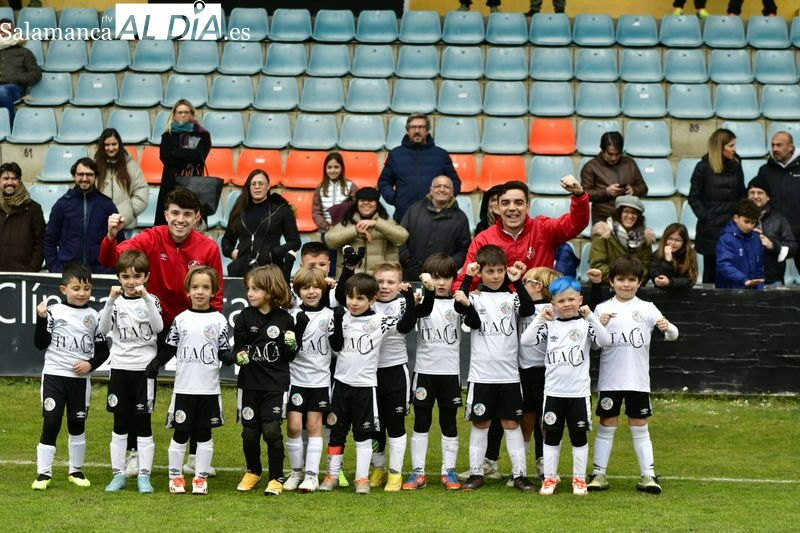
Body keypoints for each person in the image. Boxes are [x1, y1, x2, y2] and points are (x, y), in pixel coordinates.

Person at [586, 256, 679, 495]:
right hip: (610, 381)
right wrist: (600, 325)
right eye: (620, 279)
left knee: (639, 426)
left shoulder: (646, 308)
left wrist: (667, 328)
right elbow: (594, 345)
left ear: (639, 282)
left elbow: (672, 335)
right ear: (612, 281)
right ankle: (598, 474)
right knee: (607, 425)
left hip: (638, 382)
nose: (625, 284)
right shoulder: (603, 308)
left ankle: (648, 475)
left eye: (631, 280)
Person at [453, 245, 537, 493]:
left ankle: (520, 475)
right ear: (481, 272)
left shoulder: (512, 298)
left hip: (509, 375)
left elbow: (529, 309)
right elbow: (461, 308)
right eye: (490, 271)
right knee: (481, 423)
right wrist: (467, 279)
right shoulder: (475, 298)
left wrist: (517, 282)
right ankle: (476, 473)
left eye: (500, 270)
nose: (496, 276)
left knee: (512, 423)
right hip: (481, 375)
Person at [519, 276, 611, 496]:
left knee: (578, 437)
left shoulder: (585, 324)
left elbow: (606, 341)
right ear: (553, 304)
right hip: (553, 393)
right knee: (551, 436)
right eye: (561, 301)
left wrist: (592, 317)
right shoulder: (549, 326)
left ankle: (578, 479)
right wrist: (540, 318)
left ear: (580, 300)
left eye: (571, 299)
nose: (567, 304)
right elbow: (526, 341)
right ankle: (550, 477)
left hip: (578, 394)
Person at [146, 266, 232, 495]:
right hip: (184, 389)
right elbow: (169, 348)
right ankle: (175, 477)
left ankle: (200, 478)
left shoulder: (219, 320)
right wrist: (156, 363)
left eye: (205, 287)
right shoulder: (181, 319)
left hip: (209, 390)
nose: (200, 292)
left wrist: (233, 358)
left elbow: (224, 351)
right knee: (180, 433)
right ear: (188, 291)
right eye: (195, 287)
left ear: (214, 291)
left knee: (204, 434)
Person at [319, 273, 405, 494]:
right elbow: (336, 346)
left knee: (363, 434)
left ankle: (362, 478)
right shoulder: (340, 317)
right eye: (350, 297)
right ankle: (332, 475)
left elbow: (407, 324)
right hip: (340, 386)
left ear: (372, 300)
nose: (353, 303)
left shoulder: (380, 321)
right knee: (337, 432)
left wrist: (413, 299)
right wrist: (338, 320)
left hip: (366, 387)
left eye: (359, 298)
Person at [334, 261, 416, 492]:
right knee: (373, 425)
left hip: (394, 371)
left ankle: (395, 473)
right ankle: (378, 467)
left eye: (391, 282)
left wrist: (411, 298)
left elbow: (407, 325)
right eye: (380, 281)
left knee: (395, 423)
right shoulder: (362, 301)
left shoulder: (403, 303)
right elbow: (343, 295)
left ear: (399, 284)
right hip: (366, 375)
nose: (384, 286)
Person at [100, 188, 224, 330]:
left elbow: (216, 293)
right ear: (166, 215)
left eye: (187, 214)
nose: (180, 220)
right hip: (153, 324)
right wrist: (111, 236)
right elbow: (109, 260)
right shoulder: (151, 238)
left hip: (191, 326)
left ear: (197, 217)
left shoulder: (208, 248)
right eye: (175, 213)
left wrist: (211, 325)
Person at [31, 263, 109, 490]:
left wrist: (90, 364)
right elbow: (40, 343)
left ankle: (76, 470)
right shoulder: (54, 312)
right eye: (76, 288)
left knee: (77, 424)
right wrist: (42, 319)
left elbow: (104, 351)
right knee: (52, 422)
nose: (82, 293)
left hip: (80, 381)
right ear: (63, 289)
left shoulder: (94, 316)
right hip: (55, 376)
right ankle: (43, 474)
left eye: (86, 288)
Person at [99, 250, 163, 494]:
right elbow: (103, 330)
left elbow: (158, 327)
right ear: (118, 277)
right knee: (120, 423)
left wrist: (146, 298)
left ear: (146, 276)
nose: (131, 281)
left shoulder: (151, 300)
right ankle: (118, 475)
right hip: (119, 369)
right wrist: (108, 302)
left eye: (137, 276)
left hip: (143, 371)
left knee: (143, 423)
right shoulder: (115, 302)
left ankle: (144, 477)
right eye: (125, 276)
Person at [231, 265, 299, 496]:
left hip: (275, 386)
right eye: (248, 288)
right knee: (249, 432)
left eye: (256, 289)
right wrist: (239, 356)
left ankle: (276, 478)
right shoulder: (243, 317)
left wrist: (292, 345)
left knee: (271, 431)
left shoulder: (285, 319)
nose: (250, 293)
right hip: (249, 385)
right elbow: (239, 348)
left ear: (270, 291)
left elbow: (290, 356)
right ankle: (253, 471)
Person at [456, 177, 589, 292]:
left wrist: (579, 195)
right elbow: (464, 280)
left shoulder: (544, 229)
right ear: (497, 208)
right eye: (505, 203)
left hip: (541, 308)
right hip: (501, 310)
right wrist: (467, 295)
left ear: (527, 207)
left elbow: (576, 223)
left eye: (518, 203)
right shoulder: (484, 239)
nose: (512, 208)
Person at [402, 254, 463, 491]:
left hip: (449, 374)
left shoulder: (458, 303)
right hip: (424, 373)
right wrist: (415, 297)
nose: (441, 282)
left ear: (452, 279)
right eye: (436, 277)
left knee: (449, 421)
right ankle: (418, 472)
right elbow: (412, 319)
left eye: (446, 277)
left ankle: (449, 471)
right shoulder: (420, 302)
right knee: (421, 421)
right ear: (426, 278)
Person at [282, 266, 333, 493]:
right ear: (297, 291)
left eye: (315, 287)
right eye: (305, 288)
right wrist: (298, 329)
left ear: (323, 289)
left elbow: (338, 348)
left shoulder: (330, 316)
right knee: (293, 427)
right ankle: (296, 471)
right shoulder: (291, 316)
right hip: (296, 380)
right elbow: (289, 352)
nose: (311, 292)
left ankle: (311, 476)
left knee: (314, 427)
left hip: (320, 381)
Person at [517, 266, 561, 482]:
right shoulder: (520, 306)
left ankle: (545, 466)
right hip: (525, 371)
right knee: (525, 420)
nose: (521, 287)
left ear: (537, 286)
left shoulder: (554, 309)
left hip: (548, 373)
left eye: (525, 282)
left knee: (546, 422)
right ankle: (520, 470)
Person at [377, 113, 460, 223]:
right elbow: (384, 182)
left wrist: (444, 201)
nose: (417, 131)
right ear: (407, 130)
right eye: (413, 127)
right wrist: (396, 199)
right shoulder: (395, 155)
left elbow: (454, 182)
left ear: (427, 130)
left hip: (436, 217)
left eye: (421, 127)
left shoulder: (441, 155)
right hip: (404, 216)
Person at [688, 128, 746, 284]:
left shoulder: (736, 165)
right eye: (731, 146)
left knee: (732, 271)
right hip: (711, 230)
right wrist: (706, 217)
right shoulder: (702, 167)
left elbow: (742, 194)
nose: (734, 150)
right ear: (720, 147)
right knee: (711, 273)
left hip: (732, 228)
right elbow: (694, 197)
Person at [43, 157, 119, 275]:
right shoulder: (62, 205)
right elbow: (49, 241)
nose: (84, 178)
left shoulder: (107, 205)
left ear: (95, 176)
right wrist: (55, 269)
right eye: (80, 174)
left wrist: (110, 270)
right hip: (69, 274)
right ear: (74, 176)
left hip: (101, 273)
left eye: (89, 174)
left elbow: (119, 241)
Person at [221, 168, 300, 280]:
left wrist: (273, 253)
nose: (257, 187)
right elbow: (227, 240)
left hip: (271, 270)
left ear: (268, 186)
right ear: (249, 187)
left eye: (261, 183)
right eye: (253, 184)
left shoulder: (281, 209)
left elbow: (295, 242)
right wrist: (231, 252)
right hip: (242, 269)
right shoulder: (239, 209)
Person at [399, 175, 471, 281]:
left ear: (452, 192)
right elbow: (400, 237)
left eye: (446, 187)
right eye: (438, 186)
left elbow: (463, 250)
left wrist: (447, 266)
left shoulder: (461, 218)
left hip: (442, 278)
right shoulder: (414, 210)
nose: (442, 189)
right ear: (431, 190)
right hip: (412, 273)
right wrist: (406, 259)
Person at [325, 187, 409, 277]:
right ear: (357, 203)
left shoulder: (386, 221)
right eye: (362, 200)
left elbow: (402, 237)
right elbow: (329, 240)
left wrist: (377, 224)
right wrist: (355, 230)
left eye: (370, 200)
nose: (366, 203)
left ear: (377, 204)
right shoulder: (347, 221)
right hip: (350, 281)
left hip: (381, 281)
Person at [154, 99, 211, 227]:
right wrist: (189, 153)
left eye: (186, 112)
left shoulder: (203, 135)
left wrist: (177, 153)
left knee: (194, 225)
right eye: (180, 112)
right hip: (171, 183)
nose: (183, 115)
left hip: (194, 183)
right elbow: (166, 158)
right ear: (174, 114)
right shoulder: (167, 135)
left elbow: (200, 156)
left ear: (192, 114)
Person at [580, 131, 649, 225]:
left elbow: (644, 188)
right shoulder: (591, 167)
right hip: (604, 218)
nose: (614, 158)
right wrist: (606, 192)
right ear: (602, 150)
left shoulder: (630, 163)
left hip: (630, 219)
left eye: (617, 154)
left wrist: (634, 190)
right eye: (610, 154)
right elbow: (584, 194)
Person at [94, 128, 149, 238]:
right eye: (107, 145)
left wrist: (129, 212)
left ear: (119, 144)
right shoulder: (94, 166)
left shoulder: (132, 166)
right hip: (99, 225)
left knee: (123, 255)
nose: (111, 148)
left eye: (114, 144)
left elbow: (141, 191)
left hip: (124, 226)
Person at [312, 152, 358, 276]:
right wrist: (327, 227)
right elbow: (316, 212)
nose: (333, 170)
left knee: (346, 262)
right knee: (330, 264)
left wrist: (346, 226)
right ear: (325, 169)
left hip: (345, 231)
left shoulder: (350, 186)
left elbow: (356, 208)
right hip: (327, 232)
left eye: (336, 167)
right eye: (329, 167)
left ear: (342, 168)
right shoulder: (320, 188)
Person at [589, 195, 652, 283]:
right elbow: (597, 265)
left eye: (634, 213)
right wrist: (620, 281)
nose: (630, 216)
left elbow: (646, 266)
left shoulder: (645, 238)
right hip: (605, 287)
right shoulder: (602, 234)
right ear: (619, 213)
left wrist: (631, 282)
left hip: (634, 288)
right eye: (626, 211)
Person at [747, 176, 796, 285]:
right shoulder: (737, 218)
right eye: (752, 192)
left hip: (772, 279)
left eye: (760, 193)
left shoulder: (779, 219)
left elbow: (792, 248)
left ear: (768, 197)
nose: (755, 196)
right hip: (744, 280)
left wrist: (772, 245)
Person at [754, 132, 800, 245]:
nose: (774, 149)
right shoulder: (764, 171)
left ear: (790, 147)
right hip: (773, 234)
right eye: (773, 145)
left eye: (779, 145)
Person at [0, 161, 45, 271]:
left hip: (24, 276)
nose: (10, 182)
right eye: (5, 178)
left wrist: (31, 269)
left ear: (19, 181)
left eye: (14, 178)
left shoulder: (34, 209)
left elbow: (41, 242)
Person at [715, 199, 765, 290]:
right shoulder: (726, 239)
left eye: (753, 222)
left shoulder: (756, 239)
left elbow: (759, 268)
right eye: (746, 221)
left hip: (751, 293)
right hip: (729, 292)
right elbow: (724, 265)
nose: (750, 226)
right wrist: (744, 280)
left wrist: (759, 287)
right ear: (736, 218)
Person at [0, 18, 42, 126]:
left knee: (2, 91)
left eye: (7, 30)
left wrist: (17, 77)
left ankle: (10, 126)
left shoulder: (24, 52)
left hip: (14, 88)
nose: (4, 33)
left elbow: (36, 74)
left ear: (13, 32)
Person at [649, 223, 699, 290]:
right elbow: (657, 279)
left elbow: (691, 280)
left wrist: (670, 282)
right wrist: (667, 261)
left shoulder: (690, 254)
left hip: (683, 294)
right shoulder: (656, 255)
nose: (673, 243)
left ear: (684, 242)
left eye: (678, 240)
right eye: (670, 239)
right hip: (661, 294)